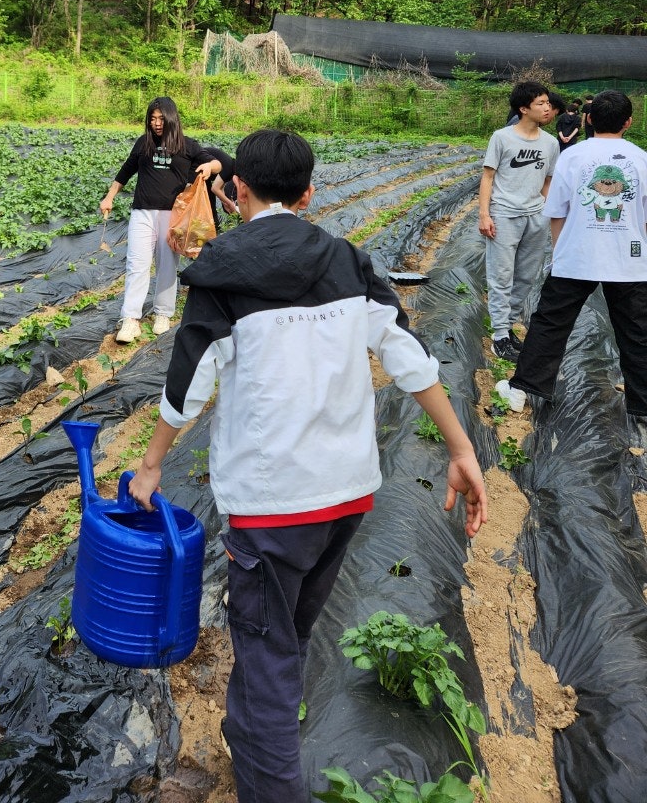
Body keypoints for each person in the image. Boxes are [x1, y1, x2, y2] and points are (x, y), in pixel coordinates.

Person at [128, 129, 486, 803]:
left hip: (270, 507)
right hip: (345, 499)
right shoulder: (348, 262)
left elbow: (190, 383)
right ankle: (252, 732)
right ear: (310, 194)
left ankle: (269, 778)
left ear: (236, 191)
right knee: (287, 631)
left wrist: (150, 467)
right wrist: (463, 451)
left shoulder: (223, 269)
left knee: (265, 653)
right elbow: (411, 361)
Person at [511, 90, 647, 440]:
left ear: (587, 120)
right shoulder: (641, 159)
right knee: (637, 332)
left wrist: (562, 251)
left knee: (550, 323)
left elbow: (556, 212)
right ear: (629, 123)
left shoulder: (573, 157)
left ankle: (525, 387)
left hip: (576, 257)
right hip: (629, 262)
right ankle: (643, 404)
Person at [99, 97, 219, 343]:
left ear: (171, 118)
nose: (156, 124)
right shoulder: (144, 143)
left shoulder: (187, 145)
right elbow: (125, 171)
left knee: (166, 264)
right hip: (141, 212)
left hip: (170, 214)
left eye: (160, 119)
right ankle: (130, 319)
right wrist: (109, 197)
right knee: (137, 264)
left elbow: (216, 162)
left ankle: (163, 313)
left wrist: (209, 168)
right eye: (152, 119)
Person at [479, 80, 557, 362]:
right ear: (524, 109)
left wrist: (551, 213)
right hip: (504, 214)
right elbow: (488, 177)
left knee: (525, 275)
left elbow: (547, 181)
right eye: (541, 103)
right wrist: (484, 214)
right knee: (501, 275)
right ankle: (499, 334)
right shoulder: (502, 138)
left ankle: (508, 325)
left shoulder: (550, 143)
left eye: (548, 102)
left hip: (535, 216)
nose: (547, 107)